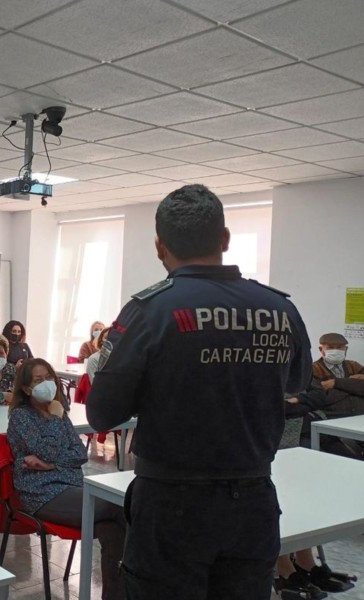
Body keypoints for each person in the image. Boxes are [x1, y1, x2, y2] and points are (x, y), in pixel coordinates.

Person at [88, 184, 311, 599]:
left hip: (171, 505)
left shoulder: (149, 311)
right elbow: (296, 384)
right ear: (224, 238)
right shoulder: (280, 309)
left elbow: (102, 413)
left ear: (159, 246)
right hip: (253, 502)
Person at [8, 358, 124, 600]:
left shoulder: (58, 411)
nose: (47, 383)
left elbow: (80, 453)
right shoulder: (21, 416)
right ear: (27, 389)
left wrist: (50, 465)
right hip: (42, 493)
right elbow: (48, 450)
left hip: (70, 486)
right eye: (38, 380)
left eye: (49, 377)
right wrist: (55, 423)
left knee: (113, 529)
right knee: (118, 507)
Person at [311, 332, 364, 417]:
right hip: (329, 418)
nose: (335, 351)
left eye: (339, 347)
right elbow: (321, 397)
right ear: (321, 349)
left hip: (360, 417)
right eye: (330, 347)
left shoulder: (354, 366)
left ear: (346, 349)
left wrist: (335, 383)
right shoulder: (313, 369)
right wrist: (353, 386)